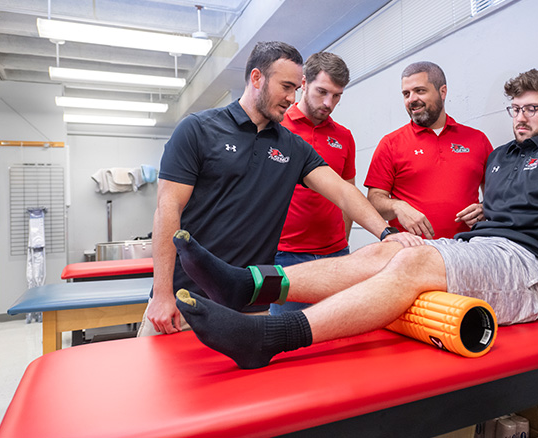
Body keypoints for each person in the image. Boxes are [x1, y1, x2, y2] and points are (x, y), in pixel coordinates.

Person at [171, 67, 538, 369]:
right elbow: (521, 204)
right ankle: (251, 285)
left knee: (410, 267)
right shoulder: (504, 155)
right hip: (483, 251)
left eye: (532, 108)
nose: (520, 116)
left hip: (532, 274)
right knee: (393, 248)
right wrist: (487, 209)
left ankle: (268, 340)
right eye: (513, 108)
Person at [141, 41, 422, 336]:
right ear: (257, 78)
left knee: (250, 383)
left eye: (295, 90)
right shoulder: (198, 129)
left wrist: (386, 234)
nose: (291, 98)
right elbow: (168, 208)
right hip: (184, 299)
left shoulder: (292, 147)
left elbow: (341, 191)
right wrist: (161, 294)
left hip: (250, 304)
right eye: (286, 87)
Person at [365, 61, 493, 239]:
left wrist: (485, 208)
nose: (411, 99)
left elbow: (496, 195)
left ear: (442, 92)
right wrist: (397, 206)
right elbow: (373, 201)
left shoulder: (478, 139)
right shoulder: (390, 144)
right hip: (411, 253)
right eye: (406, 94)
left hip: (468, 251)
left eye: (420, 91)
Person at [272, 52, 355, 315]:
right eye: (322, 91)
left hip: (337, 255)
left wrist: (342, 244)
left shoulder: (344, 137)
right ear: (304, 83)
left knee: (340, 334)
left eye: (337, 95)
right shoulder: (276, 127)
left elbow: (347, 195)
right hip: (286, 256)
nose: (329, 102)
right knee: (287, 340)